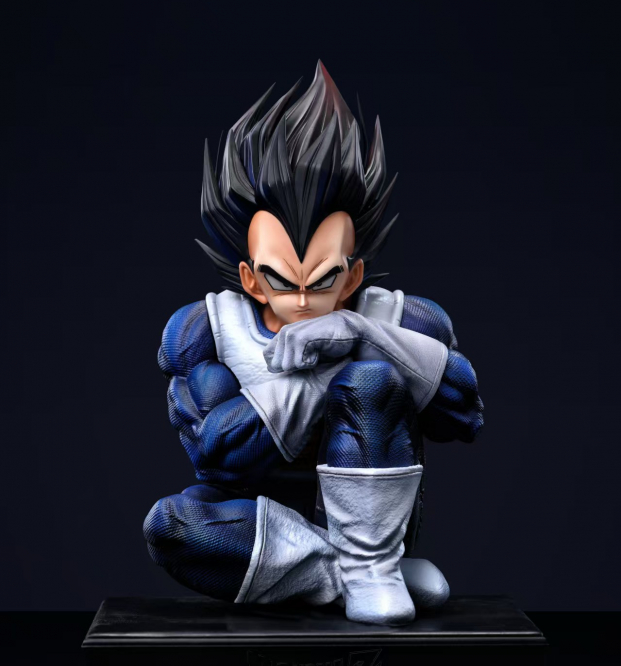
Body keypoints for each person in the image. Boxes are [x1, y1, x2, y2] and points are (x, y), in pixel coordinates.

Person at [144, 62, 484, 625]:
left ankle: (371, 562)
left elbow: (466, 413)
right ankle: (350, 573)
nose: (302, 300)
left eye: (322, 281)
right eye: (282, 281)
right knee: (171, 527)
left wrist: (363, 334)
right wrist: (321, 373)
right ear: (252, 279)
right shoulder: (206, 329)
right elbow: (218, 457)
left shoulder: (397, 318)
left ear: (352, 277)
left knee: (371, 380)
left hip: (376, 515)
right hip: (260, 528)